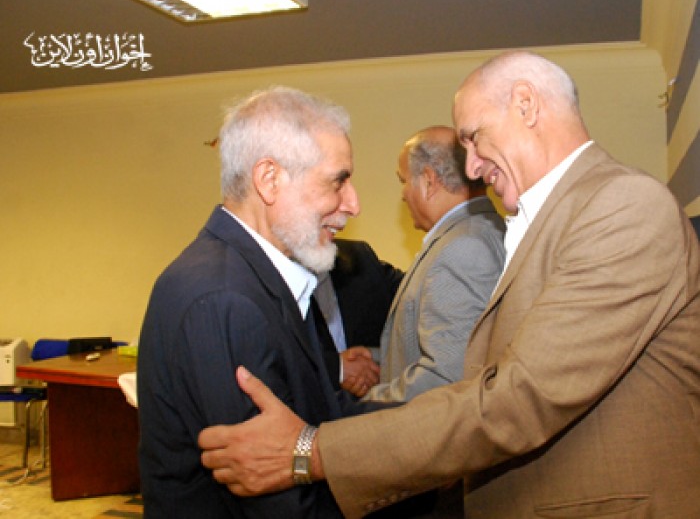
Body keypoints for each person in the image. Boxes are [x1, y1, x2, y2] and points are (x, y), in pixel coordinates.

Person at [198, 51, 700, 518]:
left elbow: (518, 400)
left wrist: (314, 449)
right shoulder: (547, 218)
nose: (472, 167)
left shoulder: (623, 207)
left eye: (474, 138)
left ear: (526, 105)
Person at [137, 86, 390, 518]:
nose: (353, 204)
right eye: (338, 181)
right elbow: (275, 500)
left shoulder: (266, 275)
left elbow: (321, 415)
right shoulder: (225, 299)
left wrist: (436, 431)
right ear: (269, 179)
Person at [364, 126, 505, 403]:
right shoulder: (481, 231)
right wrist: (377, 357)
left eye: (403, 180)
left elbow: (446, 378)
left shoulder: (462, 248)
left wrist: (359, 407)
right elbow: (458, 343)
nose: (403, 194)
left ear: (429, 181)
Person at [316, 238, 404, 397]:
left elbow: (419, 294)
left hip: (376, 403)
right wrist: (337, 369)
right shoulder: (268, 280)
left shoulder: (357, 258)